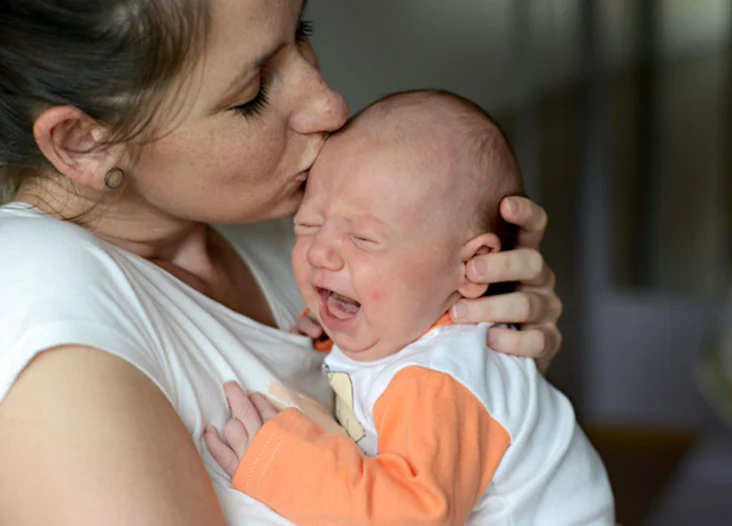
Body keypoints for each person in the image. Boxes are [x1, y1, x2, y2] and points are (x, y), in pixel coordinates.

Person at [0, 2, 564, 525]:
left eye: (302, 32)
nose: (330, 104)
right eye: (251, 93)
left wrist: (486, 365)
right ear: (82, 142)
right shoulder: (38, 286)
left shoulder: (290, 232)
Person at [203, 89, 614, 525]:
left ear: (471, 268)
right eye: (308, 224)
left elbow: (413, 516)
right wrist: (330, 336)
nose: (321, 252)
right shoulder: (406, 326)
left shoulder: (439, 379)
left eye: (364, 238)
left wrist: (285, 466)